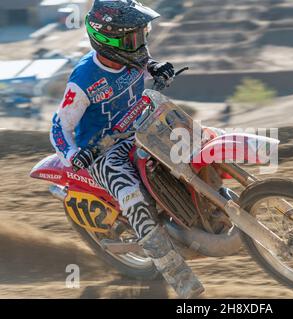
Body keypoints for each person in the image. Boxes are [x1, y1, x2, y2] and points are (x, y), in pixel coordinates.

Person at [50, 0, 204, 299]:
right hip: (102, 149)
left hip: (143, 124)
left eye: (142, 34)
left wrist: (156, 67)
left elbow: (143, 61)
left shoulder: (130, 55)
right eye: (134, 36)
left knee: (199, 140)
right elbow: (59, 127)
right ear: (109, 39)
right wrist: (73, 156)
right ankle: (177, 274)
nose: (142, 41)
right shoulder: (83, 81)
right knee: (132, 197)